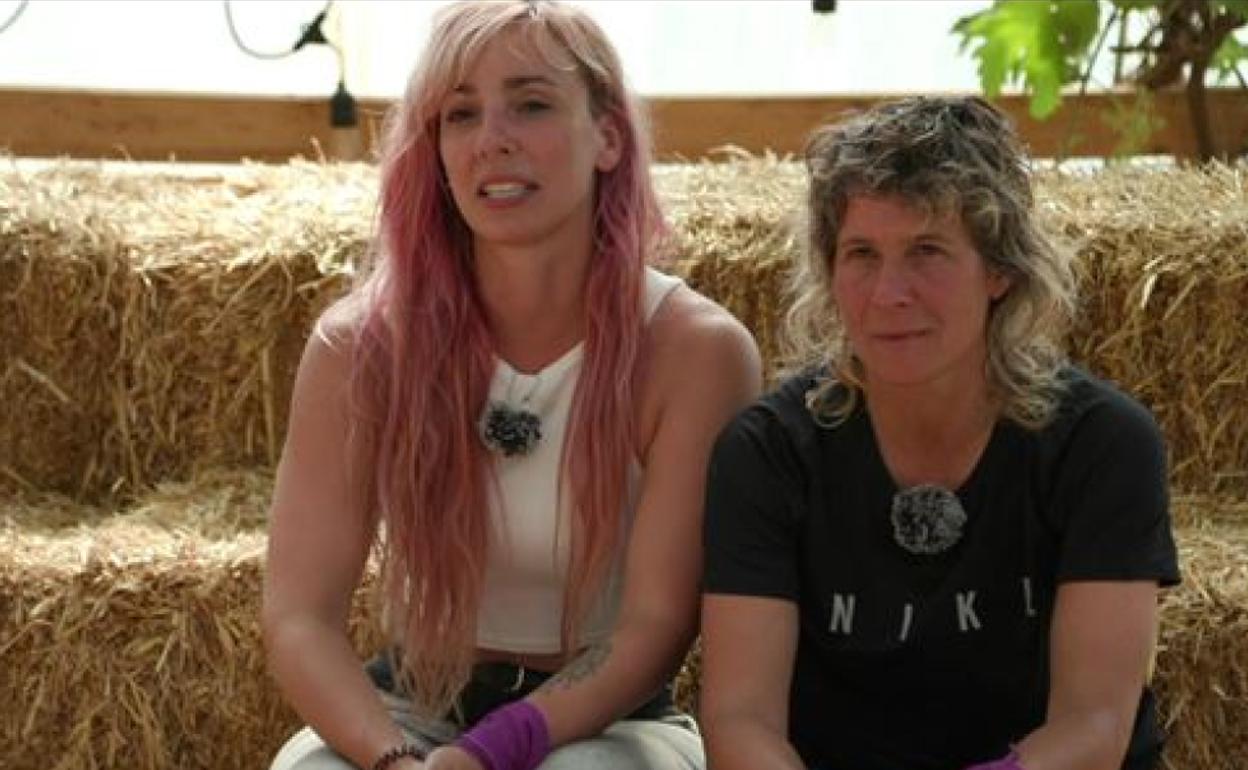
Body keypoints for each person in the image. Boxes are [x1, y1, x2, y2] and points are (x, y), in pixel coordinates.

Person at [261, 2, 761, 770]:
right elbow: (299, 618)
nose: (492, 139)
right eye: (461, 115)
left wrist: (491, 752)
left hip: (610, 723)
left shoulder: (697, 351)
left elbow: (655, 627)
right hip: (409, 711)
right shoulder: (359, 346)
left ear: (608, 137)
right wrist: (396, 761)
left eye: (530, 104)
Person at [698, 95, 1180, 770]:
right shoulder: (768, 453)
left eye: (926, 250)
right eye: (861, 253)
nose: (889, 293)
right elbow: (740, 721)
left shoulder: (1102, 444)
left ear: (1000, 269)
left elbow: (1092, 727)